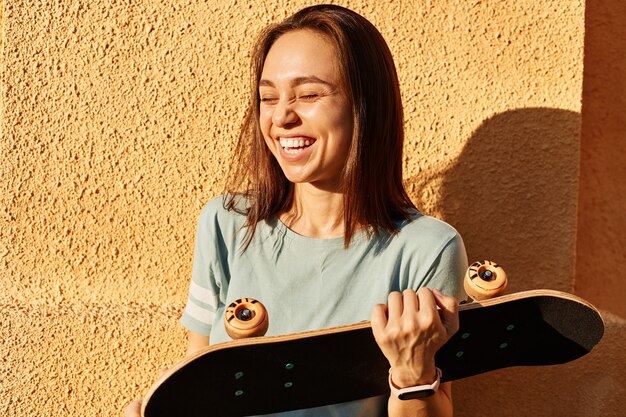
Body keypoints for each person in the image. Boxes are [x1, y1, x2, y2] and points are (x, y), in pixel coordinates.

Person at [125, 4, 466, 417]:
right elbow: (197, 380)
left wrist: (413, 373)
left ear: (365, 105)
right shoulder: (226, 224)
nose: (282, 116)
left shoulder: (427, 248)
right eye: (268, 97)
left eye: (308, 94)